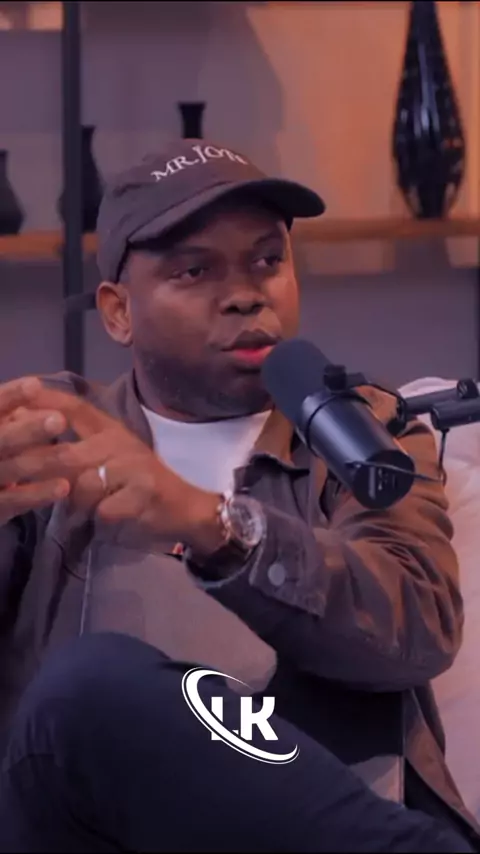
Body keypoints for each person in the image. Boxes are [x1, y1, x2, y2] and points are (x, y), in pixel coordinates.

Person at [0, 138, 477, 848]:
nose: (247, 294)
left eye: (267, 260)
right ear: (118, 312)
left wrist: (214, 525)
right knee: (86, 684)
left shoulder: (359, 432)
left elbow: (415, 629)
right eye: (195, 270)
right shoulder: (54, 436)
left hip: (312, 828)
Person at [0, 632, 473, 852]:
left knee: (91, 691)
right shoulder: (45, 478)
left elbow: (415, 627)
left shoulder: (352, 465)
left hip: (285, 801)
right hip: (62, 806)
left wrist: (223, 532)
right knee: (87, 695)